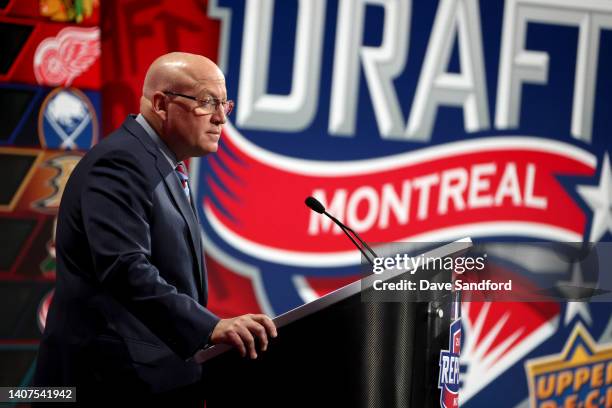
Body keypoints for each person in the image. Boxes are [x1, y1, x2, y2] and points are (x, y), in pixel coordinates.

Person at [34, 52, 277, 405]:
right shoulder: (120, 163)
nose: (221, 117)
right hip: (105, 383)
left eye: (225, 104)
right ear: (162, 104)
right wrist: (209, 327)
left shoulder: (161, 163)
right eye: (207, 102)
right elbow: (124, 267)